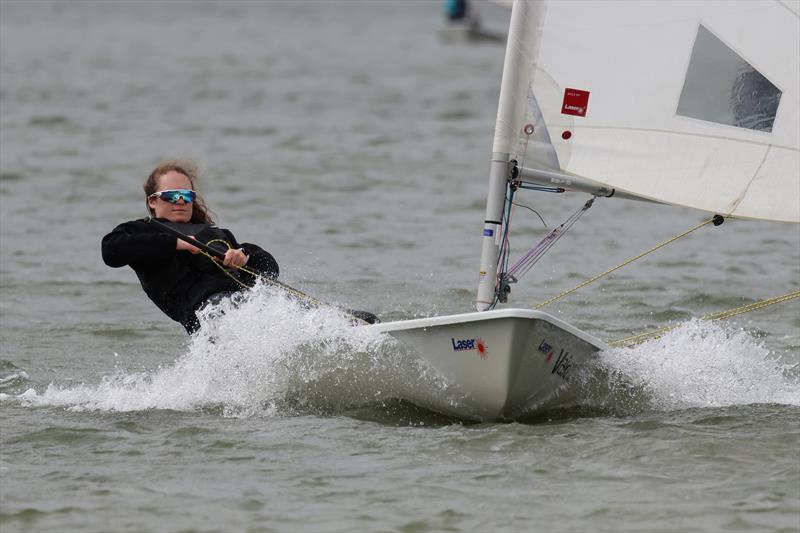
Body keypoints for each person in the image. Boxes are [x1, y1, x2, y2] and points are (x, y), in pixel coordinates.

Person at [102, 159, 280, 334]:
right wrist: (176, 243)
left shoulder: (216, 232)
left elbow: (271, 270)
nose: (180, 201)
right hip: (209, 312)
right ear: (152, 201)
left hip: (250, 299)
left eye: (186, 195)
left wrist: (244, 256)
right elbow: (110, 250)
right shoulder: (143, 230)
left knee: (299, 311)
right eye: (171, 195)